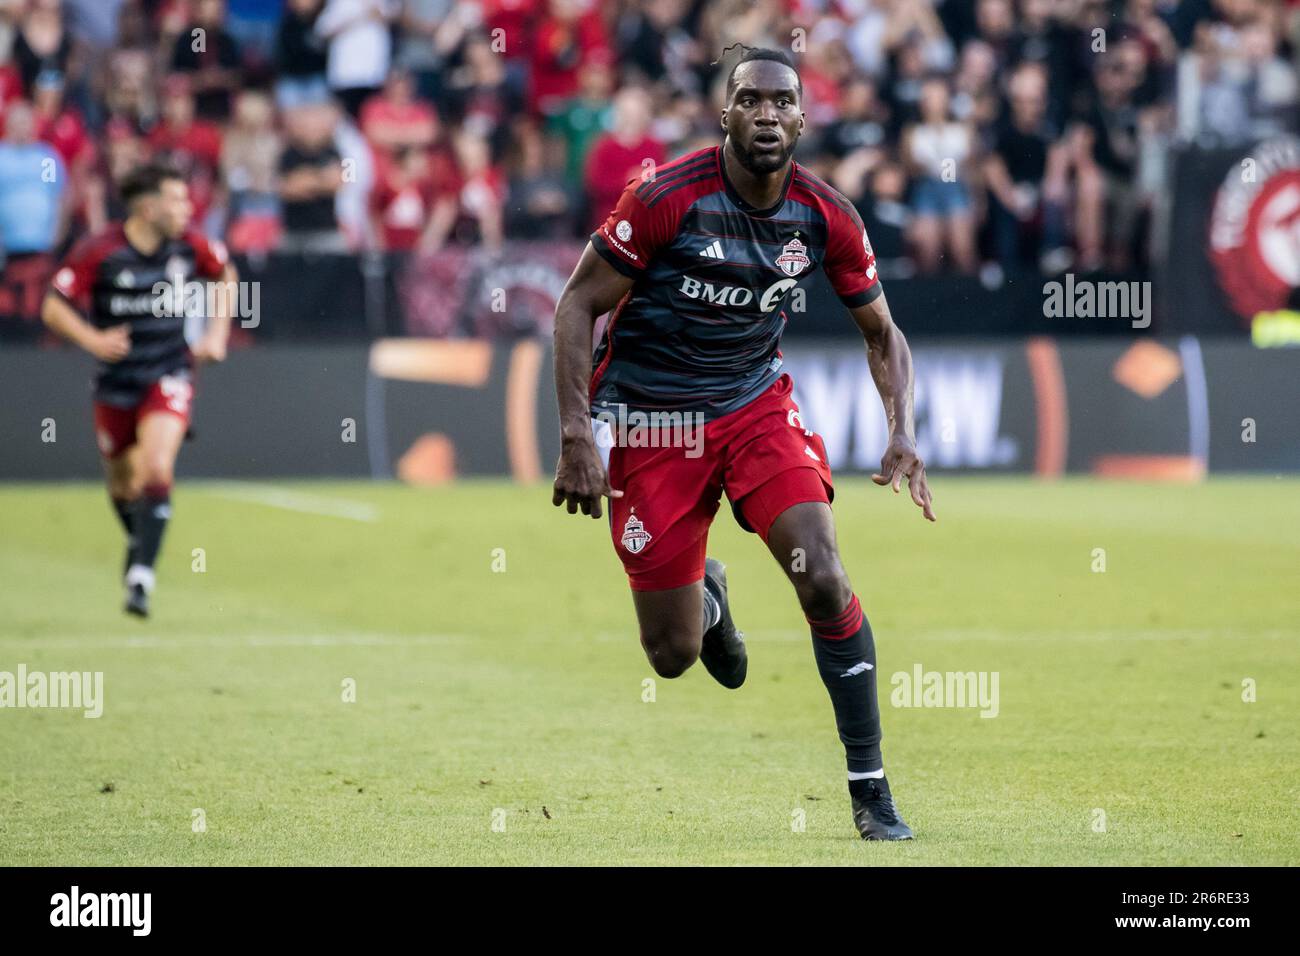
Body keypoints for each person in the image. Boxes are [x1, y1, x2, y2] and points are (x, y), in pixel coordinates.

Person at [551, 47, 934, 841]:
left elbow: (882, 333)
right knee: (672, 654)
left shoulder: (827, 214)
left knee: (823, 574)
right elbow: (576, 304)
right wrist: (576, 434)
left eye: (782, 101)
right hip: (656, 422)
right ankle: (709, 596)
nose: (767, 114)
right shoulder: (665, 197)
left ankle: (871, 789)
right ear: (724, 115)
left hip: (754, 404)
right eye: (750, 100)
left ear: (802, 117)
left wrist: (903, 429)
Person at [40, 163, 236, 617]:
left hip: (169, 371)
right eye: (178, 200)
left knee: (156, 465)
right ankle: (138, 536)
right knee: (122, 482)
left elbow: (226, 274)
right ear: (148, 208)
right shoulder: (101, 251)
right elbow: (54, 305)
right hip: (116, 382)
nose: (187, 208)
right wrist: (92, 340)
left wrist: (217, 334)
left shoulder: (190, 247)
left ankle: (141, 577)